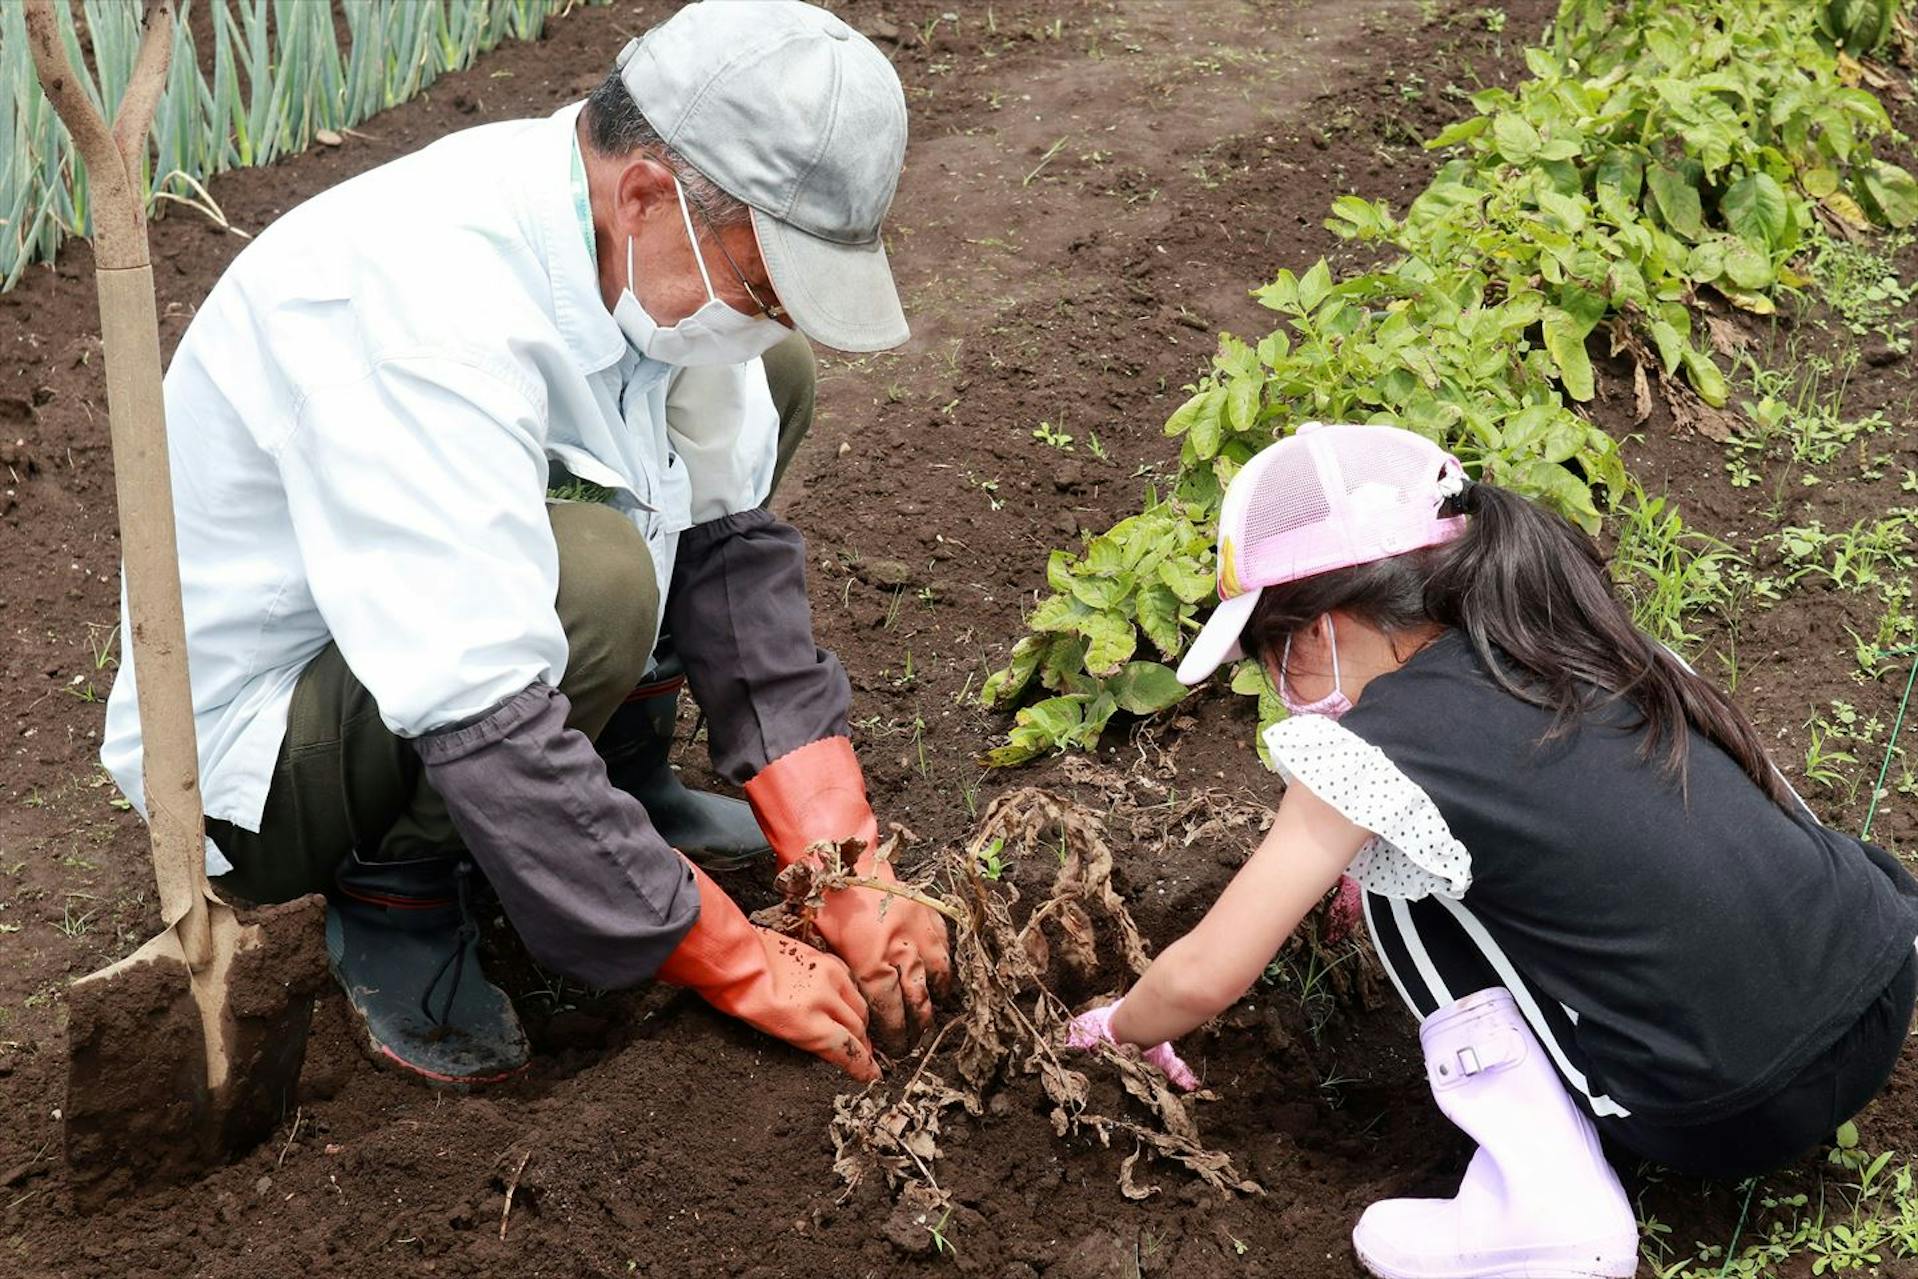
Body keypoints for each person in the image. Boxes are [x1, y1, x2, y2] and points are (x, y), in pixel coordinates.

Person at [100, 0, 949, 1089]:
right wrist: (731, 958)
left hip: (441, 649)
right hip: (272, 752)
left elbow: (729, 555)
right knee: (593, 584)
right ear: (648, 192)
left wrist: (844, 866)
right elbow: (480, 705)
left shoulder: (623, 232)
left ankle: (621, 781)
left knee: (765, 385)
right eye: (763, 282)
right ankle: (399, 895)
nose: (770, 313)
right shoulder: (426, 313)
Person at [1066, 422, 1918, 1279]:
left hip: (1726, 1111)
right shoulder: (1568, 630)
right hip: (1885, 977)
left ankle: (1554, 1210)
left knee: (1400, 889)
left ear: (1319, 628)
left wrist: (1117, 1026)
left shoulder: (1380, 747)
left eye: (1272, 660)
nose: (1284, 692)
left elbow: (1209, 972)